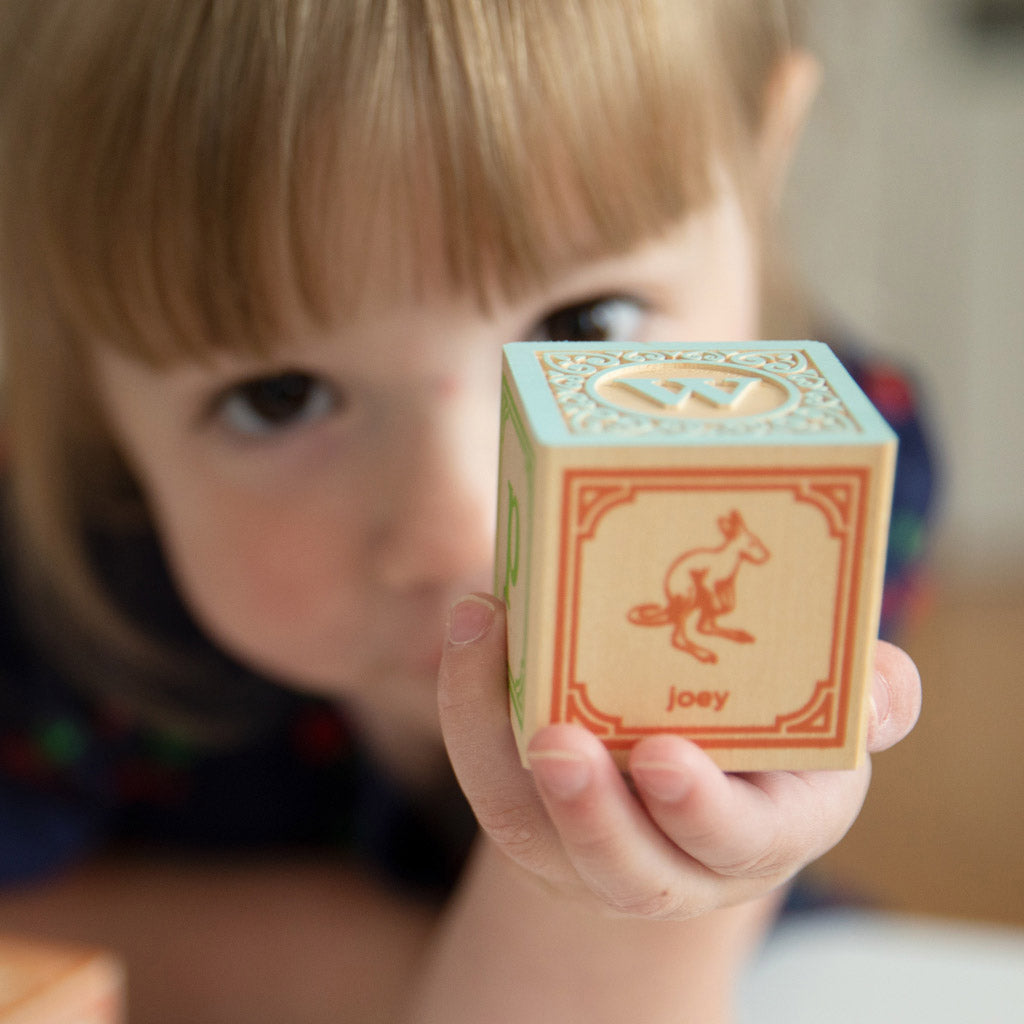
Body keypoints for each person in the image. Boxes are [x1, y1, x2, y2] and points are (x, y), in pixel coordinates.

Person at [0, 2, 927, 1021]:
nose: (465, 533)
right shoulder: (59, 584)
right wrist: (366, 963)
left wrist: (668, 866)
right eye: (280, 395)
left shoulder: (809, 489)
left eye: (586, 327)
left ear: (759, 162)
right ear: (87, 387)